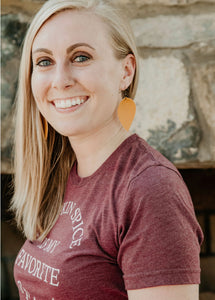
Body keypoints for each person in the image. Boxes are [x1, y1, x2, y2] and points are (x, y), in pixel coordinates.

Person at [11, 0, 203, 299]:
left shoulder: (149, 188)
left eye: (81, 57)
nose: (60, 80)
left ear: (126, 72)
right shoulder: (62, 170)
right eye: (45, 61)